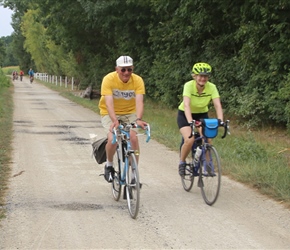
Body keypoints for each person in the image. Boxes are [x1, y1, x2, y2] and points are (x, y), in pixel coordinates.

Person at [98, 55, 147, 183]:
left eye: (129, 70)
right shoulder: (108, 79)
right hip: (110, 112)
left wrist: (139, 119)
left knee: (133, 138)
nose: (126, 73)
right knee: (113, 139)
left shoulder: (137, 80)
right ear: (117, 69)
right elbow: (109, 103)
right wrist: (114, 121)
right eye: (123, 70)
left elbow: (140, 102)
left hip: (130, 112)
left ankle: (133, 174)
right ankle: (109, 165)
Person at [177, 62, 223, 176]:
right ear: (195, 76)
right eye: (200, 76)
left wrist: (220, 120)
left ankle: (208, 165)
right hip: (185, 114)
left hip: (202, 115)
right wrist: (190, 122)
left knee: (207, 138)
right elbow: (186, 105)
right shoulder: (188, 85)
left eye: (206, 76)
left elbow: (217, 105)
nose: (203, 78)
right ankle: (182, 162)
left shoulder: (212, 87)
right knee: (190, 139)